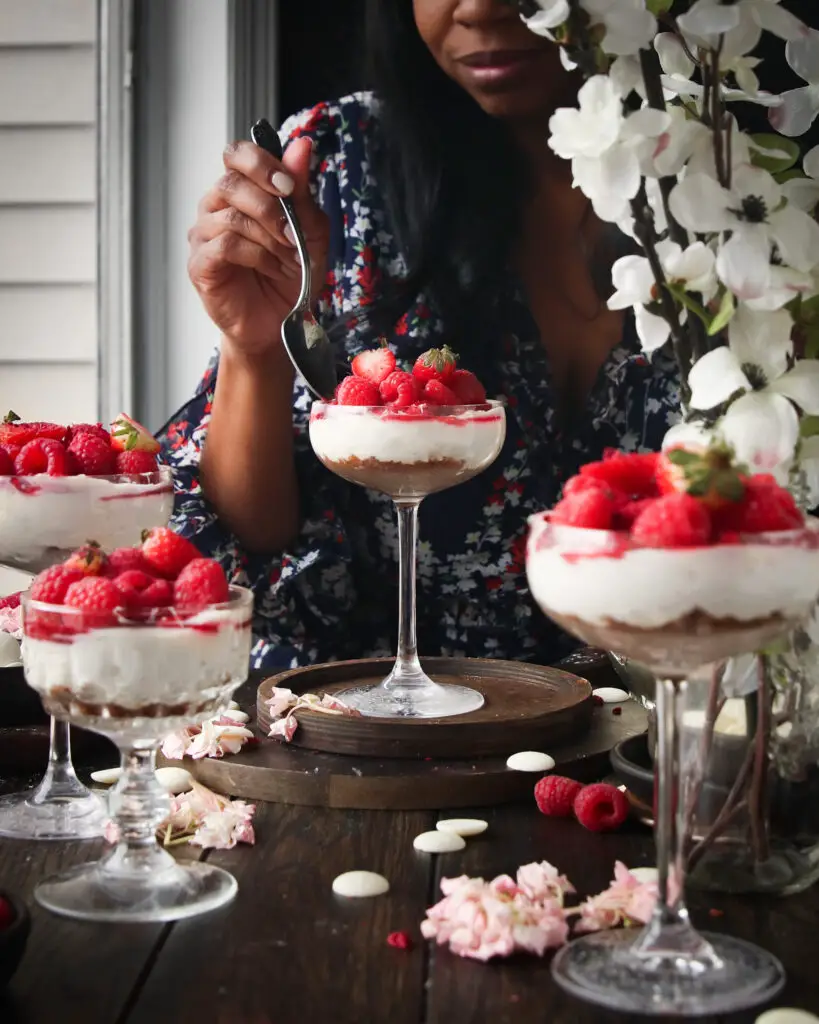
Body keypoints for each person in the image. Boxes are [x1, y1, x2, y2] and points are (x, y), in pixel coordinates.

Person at [161, 0, 679, 671]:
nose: (479, 6)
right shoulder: (339, 166)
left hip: (683, 745)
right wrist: (254, 349)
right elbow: (255, 548)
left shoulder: (741, 185)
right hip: (394, 744)